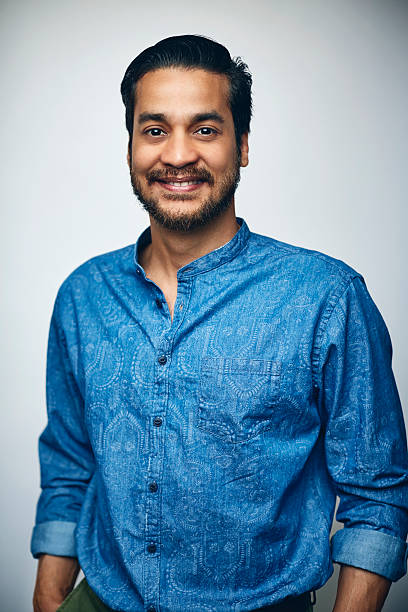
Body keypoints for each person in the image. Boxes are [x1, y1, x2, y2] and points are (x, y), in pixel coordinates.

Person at [31, 35, 408, 612]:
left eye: (205, 129)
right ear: (130, 144)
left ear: (244, 145)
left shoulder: (326, 297)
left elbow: (377, 493)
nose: (177, 155)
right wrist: (52, 596)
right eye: (154, 129)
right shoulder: (83, 296)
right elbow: (69, 460)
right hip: (101, 598)